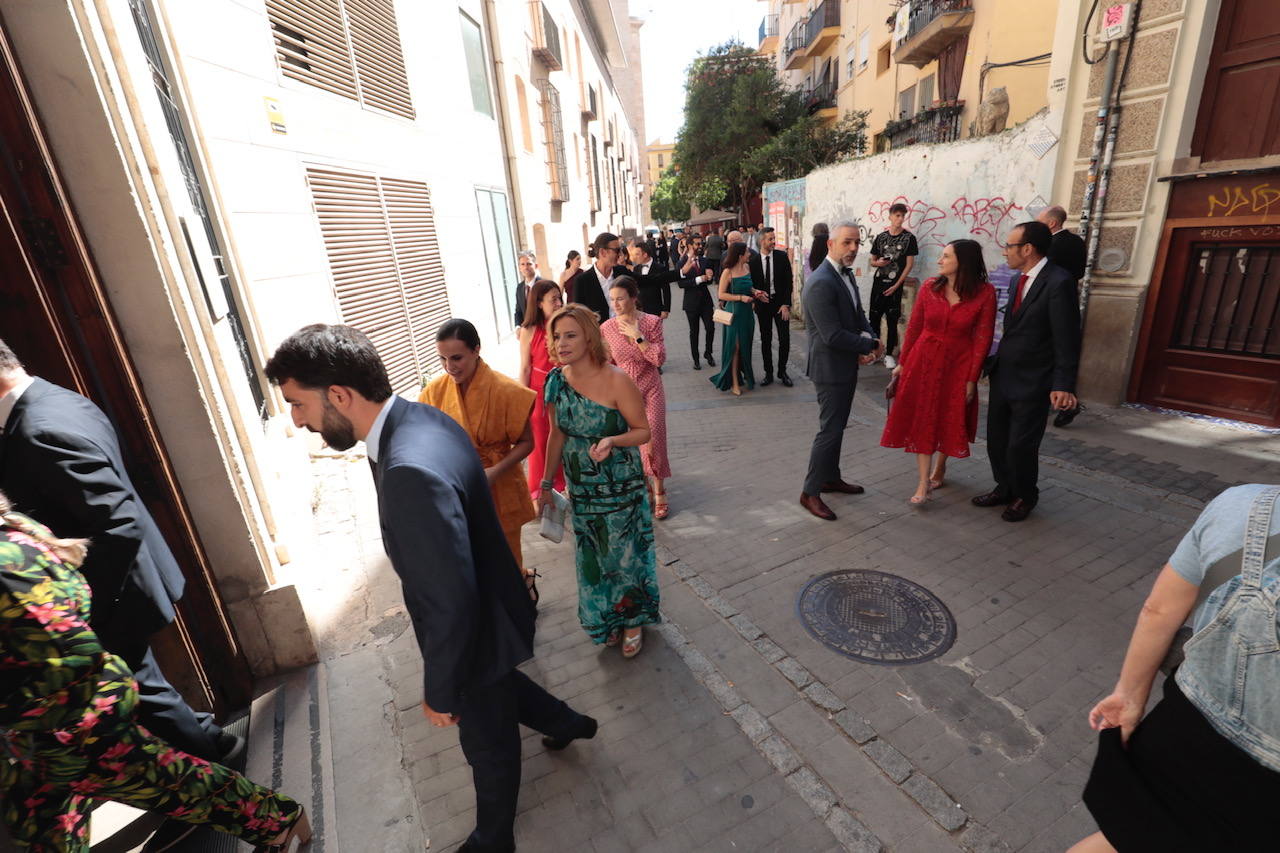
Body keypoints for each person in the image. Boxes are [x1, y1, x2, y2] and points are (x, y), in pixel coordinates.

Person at [266, 324, 596, 853]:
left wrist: (440, 688)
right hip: (492, 604)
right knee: (499, 691)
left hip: (472, 627)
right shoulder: (423, 417)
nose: (296, 420)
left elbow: (448, 599)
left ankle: (493, 841)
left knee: (487, 744)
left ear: (339, 395)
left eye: (297, 404)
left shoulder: (406, 467)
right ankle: (570, 722)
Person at [0, 493, 310, 852]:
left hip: (72, 725)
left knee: (173, 782)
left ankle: (278, 818)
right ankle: (277, 818)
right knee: (41, 826)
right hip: (45, 730)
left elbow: (70, 653)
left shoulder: (7, 564)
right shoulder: (16, 534)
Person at [0, 340, 240, 765]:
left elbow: (117, 521)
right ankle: (214, 742)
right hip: (129, 575)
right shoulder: (55, 398)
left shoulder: (38, 429)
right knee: (148, 685)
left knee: (146, 694)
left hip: (115, 586)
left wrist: (85, 602)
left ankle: (220, 782)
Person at [1069, 484, 1280, 853]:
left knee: (1124, 840)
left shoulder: (1243, 505)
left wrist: (1129, 697)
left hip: (1183, 731)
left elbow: (1159, 610)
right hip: (1266, 792)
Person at [538, 305, 660, 658]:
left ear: (590, 337)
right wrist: (547, 486)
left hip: (622, 489)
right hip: (583, 491)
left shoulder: (617, 380)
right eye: (557, 336)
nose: (561, 343)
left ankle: (633, 619)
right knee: (595, 561)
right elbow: (556, 435)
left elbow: (643, 431)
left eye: (570, 335)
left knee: (625, 558)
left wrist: (612, 440)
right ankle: (608, 618)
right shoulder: (556, 381)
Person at [420, 319, 539, 601]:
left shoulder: (506, 389)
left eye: (457, 357)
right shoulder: (434, 392)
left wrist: (494, 471)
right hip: (458, 488)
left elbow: (527, 443)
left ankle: (521, 588)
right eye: (443, 359)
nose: (450, 366)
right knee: (472, 559)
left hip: (499, 482)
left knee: (507, 558)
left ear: (476, 350)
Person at [973, 220, 1081, 522]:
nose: (1005, 252)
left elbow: (1067, 337)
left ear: (1028, 248)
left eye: (1010, 246)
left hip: (1035, 379)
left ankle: (1024, 495)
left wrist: (1063, 383)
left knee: (1021, 443)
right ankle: (1004, 487)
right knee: (997, 438)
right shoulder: (1015, 279)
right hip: (1005, 374)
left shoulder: (1059, 282)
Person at [880, 239, 997, 504]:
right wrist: (903, 362)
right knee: (924, 419)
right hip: (925, 361)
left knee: (949, 416)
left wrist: (971, 379)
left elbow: (982, 338)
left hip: (959, 364)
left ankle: (941, 465)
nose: (939, 261)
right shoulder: (930, 288)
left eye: (945, 256)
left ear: (962, 262)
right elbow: (914, 328)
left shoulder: (985, 293)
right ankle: (923, 484)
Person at [799, 222, 882, 521]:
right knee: (829, 430)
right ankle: (810, 492)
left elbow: (858, 314)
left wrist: (869, 339)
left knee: (837, 428)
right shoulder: (821, 281)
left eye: (857, 243)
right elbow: (832, 335)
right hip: (829, 369)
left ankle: (830, 477)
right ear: (831, 243)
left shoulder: (844, 275)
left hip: (843, 364)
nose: (853, 249)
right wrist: (869, 344)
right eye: (847, 242)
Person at [600, 278, 671, 520]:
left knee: (654, 437)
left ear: (633, 297)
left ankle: (660, 489)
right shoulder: (607, 328)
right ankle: (645, 487)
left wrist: (638, 336)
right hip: (625, 394)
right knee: (632, 443)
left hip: (651, 388)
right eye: (612, 299)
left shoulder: (652, 322)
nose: (616, 304)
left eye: (620, 298)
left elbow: (659, 359)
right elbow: (607, 363)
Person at [1037, 204, 1088, 428]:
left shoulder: (1050, 245)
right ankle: (1063, 400)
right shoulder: (1077, 242)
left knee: (1053, 350)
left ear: (1052, 223)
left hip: (1050, 304)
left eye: (1040, 221)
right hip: (1068, 301)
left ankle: (1066, 402)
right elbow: (1080, 272)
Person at [519, 279, 566, 501]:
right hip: (538, 392)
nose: (559, 303)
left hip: (566, 389)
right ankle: (540, 491)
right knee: (539, 441)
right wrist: (522, 401)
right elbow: (525, 367)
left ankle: (565, 484)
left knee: (566, 437)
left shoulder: (566, 325)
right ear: (538, 303)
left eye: (560, 298)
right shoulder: (528, 330)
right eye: (553, 299)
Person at [868, 203, 919, 370]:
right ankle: (874, 352)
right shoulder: (881, 237)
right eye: (897, 215)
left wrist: (897, 285)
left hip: (895, 285)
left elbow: (909, 265)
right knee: (874, 319)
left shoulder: (909, 238)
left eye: (903, 216)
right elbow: (872, 260)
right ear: (889, 216)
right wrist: (879, 263)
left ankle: (889, 354)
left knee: (892, 320)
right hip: (878, 284)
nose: (900, 219)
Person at [709, 242, 761, 397]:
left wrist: (755, 292)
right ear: (740, 255)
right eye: (747, 252)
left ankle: (745, 376)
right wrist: (740, 297)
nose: (750, 254)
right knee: (735, 348)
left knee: (745, 346)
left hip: (747, 314)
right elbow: (721, 295)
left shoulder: (746, 268)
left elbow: (748, 287)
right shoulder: (728, 272)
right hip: (734, 313)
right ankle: (734, 382)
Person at [748, 227, 794, 387]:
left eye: (774, 238)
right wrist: (755, 300)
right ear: (762, 241)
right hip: (763, 306)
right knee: (765, 340)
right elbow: (750, 285)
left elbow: (789, 282)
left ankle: (782, 371)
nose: (774, 242)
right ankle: (768, 373)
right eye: (770, 239)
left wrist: (786, 304)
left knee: (785, 339)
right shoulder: (753, 262)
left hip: (780, 304)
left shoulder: (781, 257)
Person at [564, 233, 629, 323]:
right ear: (603, 252)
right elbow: (578, 315)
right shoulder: (582, 281)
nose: (620, 254)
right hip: (598, 334)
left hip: (625, 330)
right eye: (617, 250)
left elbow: (645, 281)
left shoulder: (621, 271)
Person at [676, 234, 717, 370]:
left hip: (706, 301)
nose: (700, 246)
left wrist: (710, 277)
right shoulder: (682, 262)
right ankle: (696, 359)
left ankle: (708, 353)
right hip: (691, 303)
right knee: (694, 331)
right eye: (697, 244)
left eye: (701, 244)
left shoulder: (705, 261)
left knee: (710, 328)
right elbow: (681, 284)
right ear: (689, 246)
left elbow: (710, 279)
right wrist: (699, 279)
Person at [626, 238, 676, 319]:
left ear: (645, 255)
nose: (635, 257)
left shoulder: (660, 268)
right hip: (639, 310)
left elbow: (666, 290)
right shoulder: (636, 269)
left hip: (655, 309)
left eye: (637, 254)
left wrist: (666, 309)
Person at [511, 251, 539, 327]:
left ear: (536, 266)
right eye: (522, 264)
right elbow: (518, 311)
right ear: (519, 268)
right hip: (527, 331)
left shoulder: (544, 285)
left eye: (529, 264)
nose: (526, 267)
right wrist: (518, 327)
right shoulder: (520, 288)